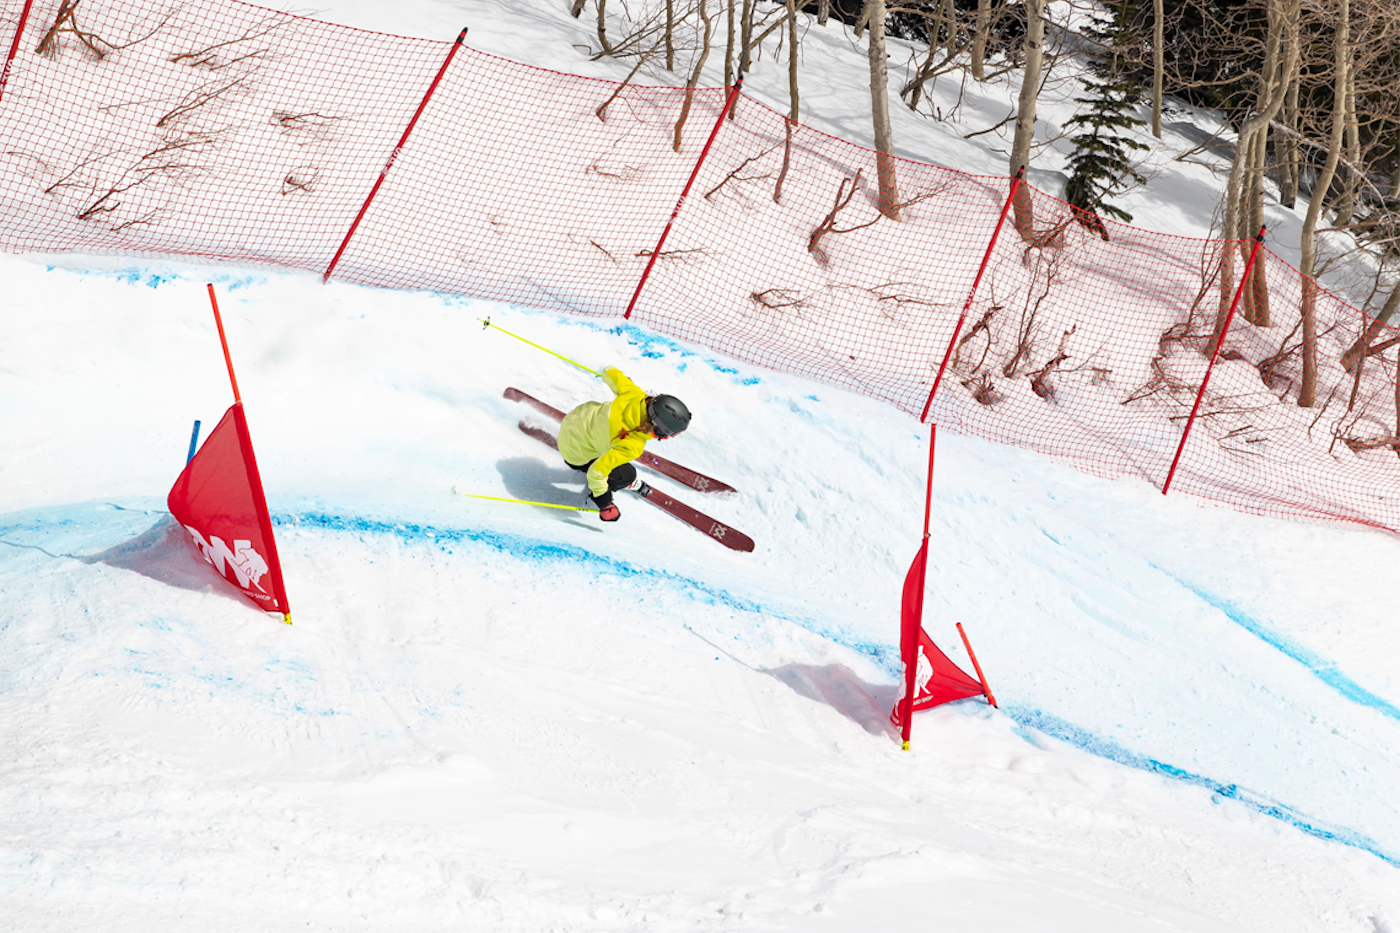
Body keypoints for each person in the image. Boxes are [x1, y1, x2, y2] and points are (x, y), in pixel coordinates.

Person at [558, 366, 690, 522]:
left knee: (603, 433)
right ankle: (614, 487)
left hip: (573, 420)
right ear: (658, 430)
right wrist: (604, 502)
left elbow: (609, 372)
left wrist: (619, 378)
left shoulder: (634, 394)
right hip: (574, 456)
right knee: (627, 474)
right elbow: (596, 472)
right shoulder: (632, 445)